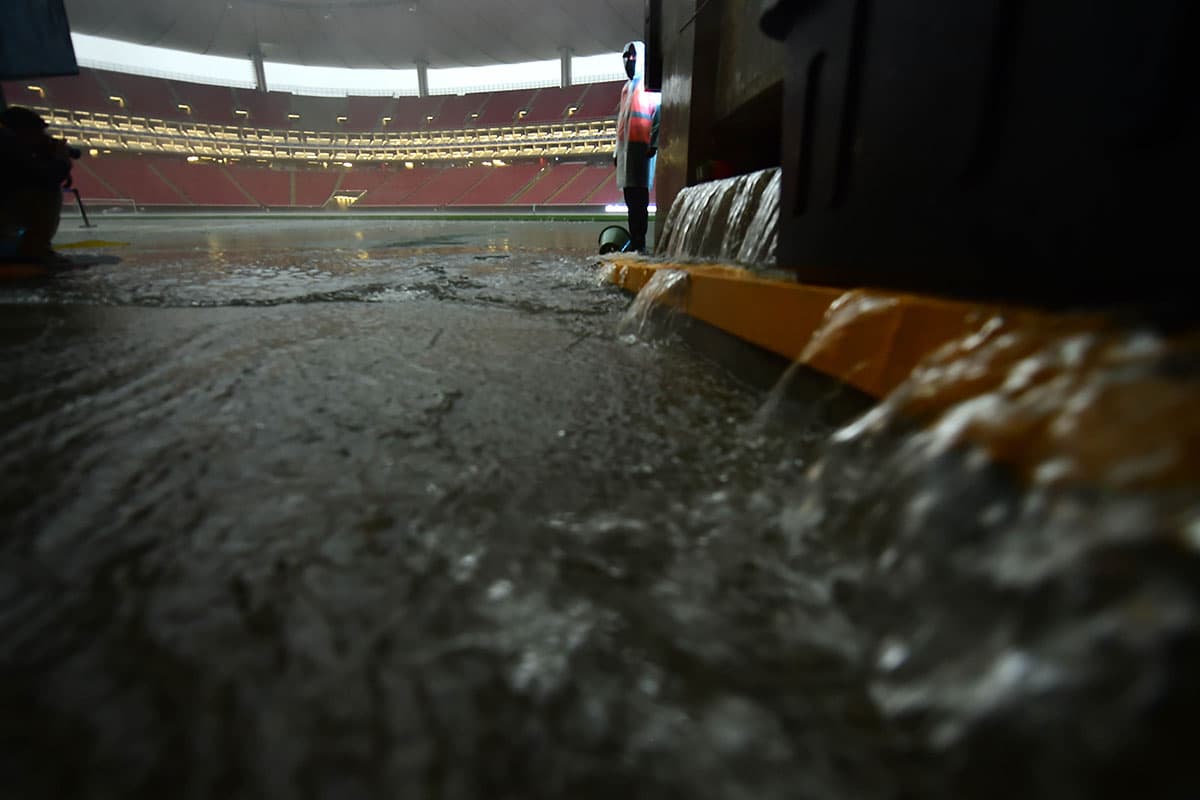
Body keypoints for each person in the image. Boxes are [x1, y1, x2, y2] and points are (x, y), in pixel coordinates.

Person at [0, 106, 74, 263]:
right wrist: (61, 161)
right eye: (39, 133)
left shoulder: (9, 145)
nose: (43, 137)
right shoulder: (9, 146)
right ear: (24, 132)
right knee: (48, 192)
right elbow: (45, 178)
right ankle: (35, 249)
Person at [614, 40, 661, 254]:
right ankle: (634, 238)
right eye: (626, 58)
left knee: (640, 198)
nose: (629, 62)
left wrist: (654, 143)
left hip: (642, 149)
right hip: (626, 151)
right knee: (630, 198)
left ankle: (639, 241)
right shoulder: (626, 89)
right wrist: (616, 151)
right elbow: (621, 122)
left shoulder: (648, 86)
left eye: (633, 58)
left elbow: (659, 113)